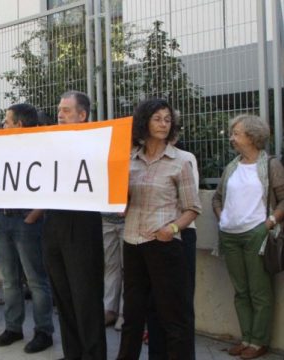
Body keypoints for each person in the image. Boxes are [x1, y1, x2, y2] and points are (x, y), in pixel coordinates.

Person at [117, 98, 201, 360]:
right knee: (132, 314)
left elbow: (193, 208)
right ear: (144, 121)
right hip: (132, 243)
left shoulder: (180, 162)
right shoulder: (130, 161)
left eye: (167, 119)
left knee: (174, 316)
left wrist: (172, 228)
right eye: (157, 118)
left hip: (163, 244)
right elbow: (123, 203)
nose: (164, 124)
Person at [212, 114, 284, 360]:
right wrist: (222, 218)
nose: (232, 138)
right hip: (230, 236)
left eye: (236, 133)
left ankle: (259, 342)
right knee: (241, 291)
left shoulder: (271, 165)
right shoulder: (231, 167)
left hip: (258, 235)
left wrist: (269, 223)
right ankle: (246, 339)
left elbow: (283, 198)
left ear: (252, 137)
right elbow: (217, 198)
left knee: (259, 291)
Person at [41, 91, 106, 359]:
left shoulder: (96, 144)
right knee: (63, 296)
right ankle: (73, 353)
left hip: (82, 226)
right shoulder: (50, 144)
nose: (60, 114)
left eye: (67, 110)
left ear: (83, 115)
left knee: (85, 297)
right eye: (59, 109)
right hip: (53, 223)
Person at [0, 104, 54, 352]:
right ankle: (13, 327)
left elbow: (50, 181)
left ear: (18, 124)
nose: (3, 125)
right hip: (4, 218)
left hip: (27, 220)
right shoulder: (2, 147)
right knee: (9, 279)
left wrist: (36, 213)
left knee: (35, 279)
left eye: (6, 121)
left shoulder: (41, 148)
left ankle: (43, 331)